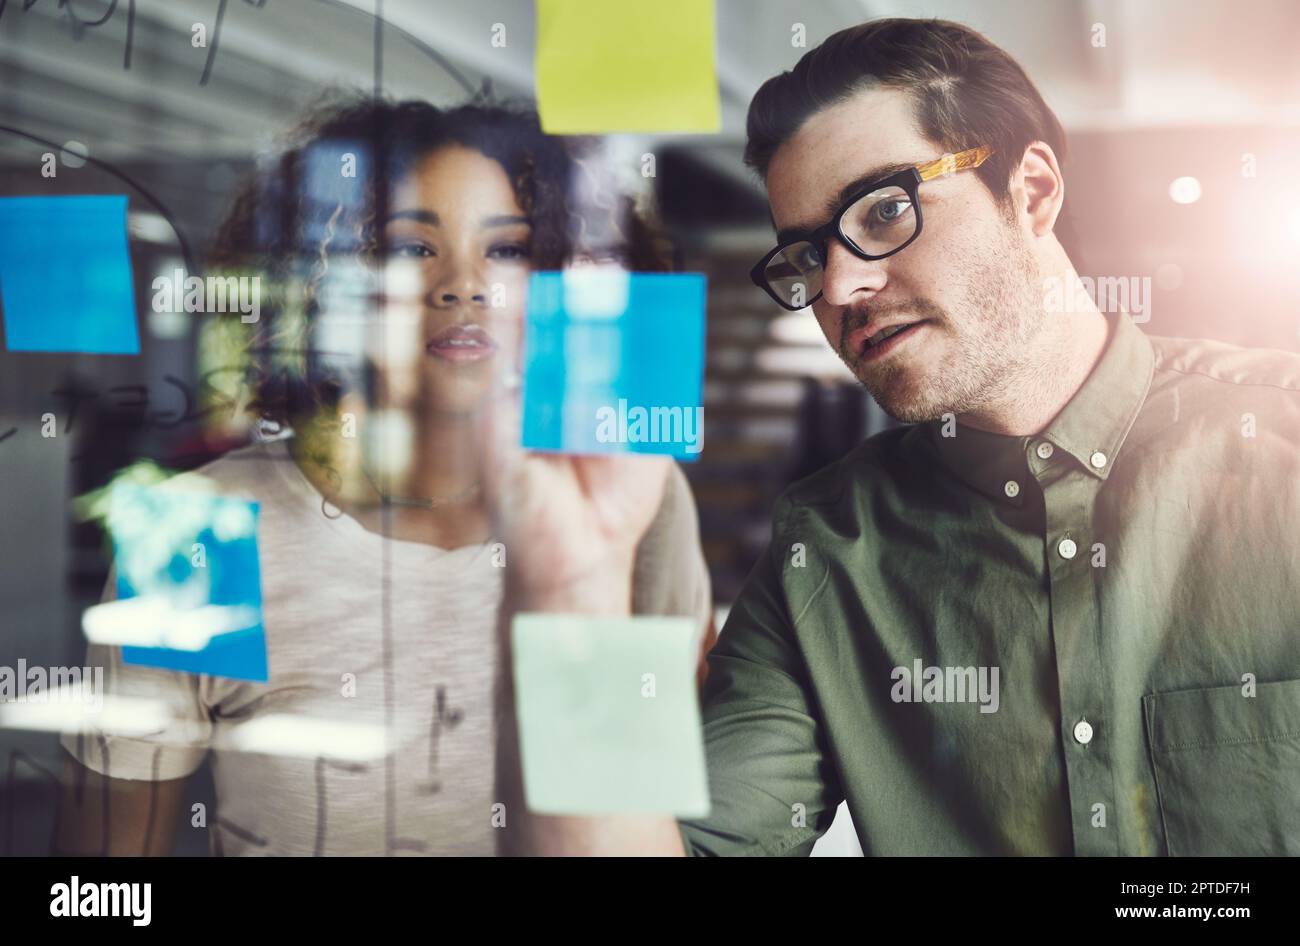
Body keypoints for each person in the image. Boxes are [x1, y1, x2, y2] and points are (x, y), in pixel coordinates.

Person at [495, 18, 1300, 856]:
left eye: (883, 210)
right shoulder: (825, 552)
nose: (840, 286)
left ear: (1031, 191)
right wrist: (572, 585)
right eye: (804, 256)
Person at [55, 95, 714, 856]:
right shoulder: (204, 529)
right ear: (325, 282)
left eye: (507, 251)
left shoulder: (632, 504)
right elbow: (99, 879)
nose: (463, 285)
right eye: (409, 248)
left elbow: (658, 825)